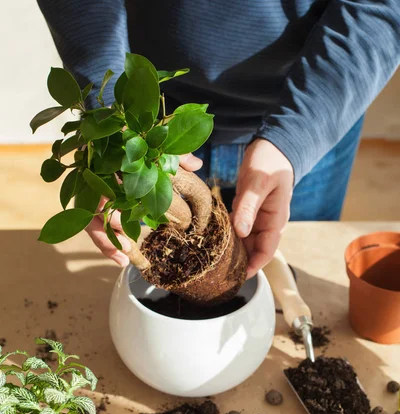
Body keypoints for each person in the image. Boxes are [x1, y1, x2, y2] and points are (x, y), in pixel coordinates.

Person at [37, 0, 399, 277]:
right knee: (150, 267)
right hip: (149, 125)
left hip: (314, 111)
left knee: (289, 279)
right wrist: (110, 115)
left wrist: (294, 137)